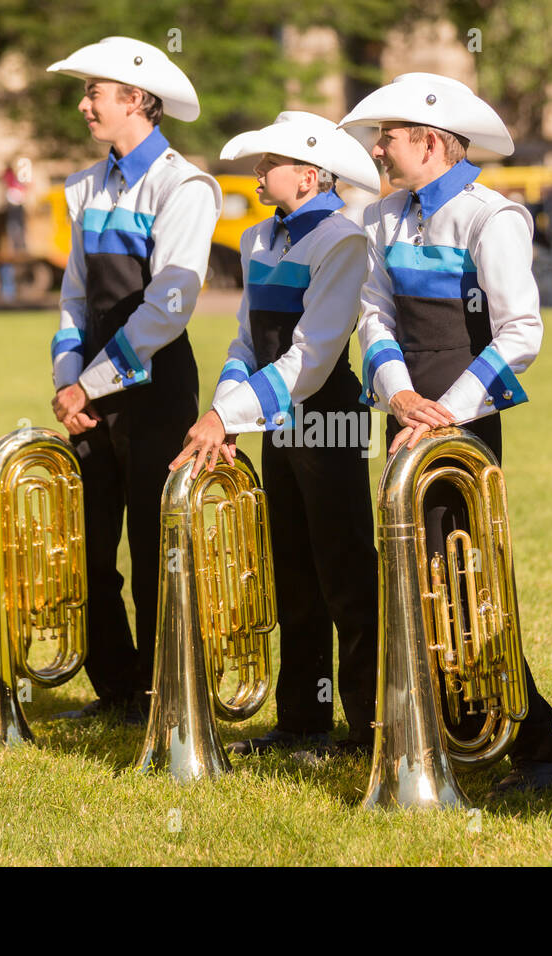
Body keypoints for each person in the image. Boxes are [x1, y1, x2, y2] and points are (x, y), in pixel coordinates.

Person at [339, 73, 552, 794]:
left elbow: (521, 331)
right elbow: (373, 313)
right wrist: (399, 392)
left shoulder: (491, 216)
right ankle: (454, 727)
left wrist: (447, 410)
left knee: (465, 581)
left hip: (462, 429)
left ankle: (539, 751)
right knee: (413, 577)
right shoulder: (383, 216)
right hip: (404, 415)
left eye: (389, 135)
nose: (377, 147)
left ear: (432, 143)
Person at [171, 111, 381, 755]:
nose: (259, 171)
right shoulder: (258, 238)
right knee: (289, 569)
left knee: (345, 573)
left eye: (272, 163)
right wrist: (226, 416)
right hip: (274, 416)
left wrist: (225, 414)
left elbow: (311, 358)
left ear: (311, 175)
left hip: (329, 417)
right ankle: (301, 723)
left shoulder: (344, 241)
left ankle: (373, 726)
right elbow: (244, 342)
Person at [46, 36, 222, 722]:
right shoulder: (85, 187)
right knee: (86, 549)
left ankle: (167, 694)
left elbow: (169, 308)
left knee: (156, 551)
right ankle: (119, 691)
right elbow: (73, 298)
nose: (85, 104)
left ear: (137, 101)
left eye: (96, 92)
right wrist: (69, 379)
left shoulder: (183, 184)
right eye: (87, 92)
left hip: (153, 391)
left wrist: (88, 382)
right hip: (87, 393)